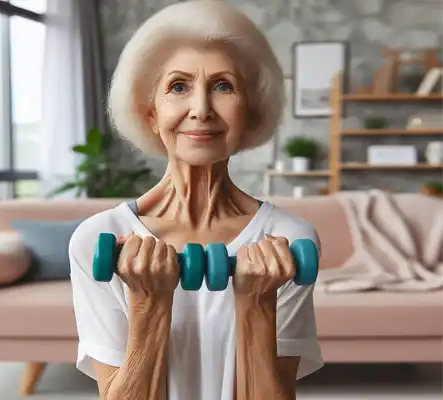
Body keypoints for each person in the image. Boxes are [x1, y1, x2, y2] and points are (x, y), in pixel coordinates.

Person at [69, 1, 323, 399]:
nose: (201, 109)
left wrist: (257, 302)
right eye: (178, 86)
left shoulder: (288, 239)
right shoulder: (99, 238)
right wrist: (150, 306)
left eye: (224, 86)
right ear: (151, 112)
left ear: (250, 113)